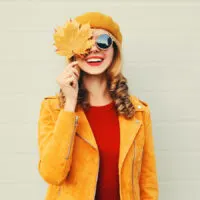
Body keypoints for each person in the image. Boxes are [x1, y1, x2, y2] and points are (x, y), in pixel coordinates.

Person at [37, 11, 159, 200]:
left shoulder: (138, 112)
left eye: (103, 41)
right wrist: (70, 104)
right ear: (72, 51)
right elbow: (52, 174)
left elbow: (147, 181)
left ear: (115, 49)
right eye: (85, 41)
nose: (94, 49)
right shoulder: (53, 108)